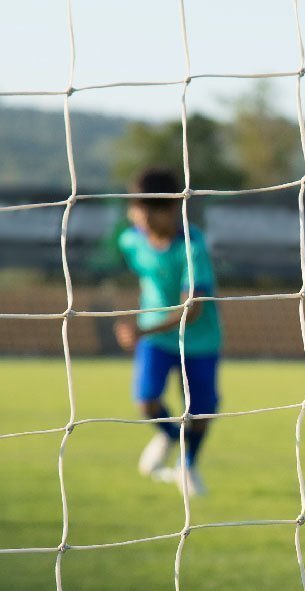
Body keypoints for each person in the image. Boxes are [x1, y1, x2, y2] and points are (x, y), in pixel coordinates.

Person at [114, 167, 221, 498]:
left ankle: (187, 465)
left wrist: (142, 329)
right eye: (136, 210)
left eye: (148, 212)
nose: (140, 219)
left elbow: (194, 308)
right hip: (157, 338)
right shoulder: (130, 240)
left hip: (198, 339)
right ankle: (171, 437)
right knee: (146, 400)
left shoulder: (192, 245)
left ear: (171, 210)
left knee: (201, 412)